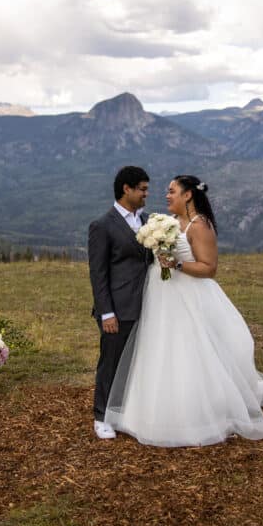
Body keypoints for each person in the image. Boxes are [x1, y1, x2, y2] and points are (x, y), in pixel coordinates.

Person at [104, 175, 263, 447]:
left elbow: (209, 268)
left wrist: (175, 265)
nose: (166, 195)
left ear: (188, 195)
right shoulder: (170, 223)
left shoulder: (200, 226)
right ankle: (154, 410)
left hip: (188, 296)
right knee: (160, 349)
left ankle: (197, 412)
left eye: (172, 191)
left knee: (189, 349)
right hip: (161, 297)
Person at [88, 166, 152, 440]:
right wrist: (107, 313)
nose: (146, 194)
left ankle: (124, 411)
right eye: (142, 189)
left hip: (147, 305)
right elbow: (98, 274)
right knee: (111, 363)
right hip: (118, 309)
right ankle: (101, 416)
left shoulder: (148, 220)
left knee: (135, 363)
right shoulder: (102, 226)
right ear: (126, 189)